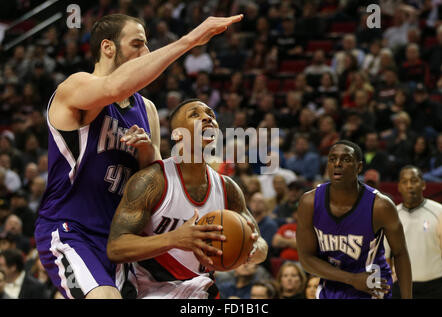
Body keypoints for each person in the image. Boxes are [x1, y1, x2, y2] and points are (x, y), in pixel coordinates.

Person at [34, 13, 245, 299]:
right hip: (71, 228)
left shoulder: (146, 109)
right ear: (108, 47)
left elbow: (153, 178)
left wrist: (146, 150)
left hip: (120, 237)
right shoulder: (75, 87)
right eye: (137, 44)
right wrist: (190, 40)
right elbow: (113, 87)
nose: (146, 53)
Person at [107, 99, 268, 299]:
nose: (208, 118)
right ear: (177, 134)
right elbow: (115, 248)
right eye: (195, 114)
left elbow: (260, 243)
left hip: (199, 289)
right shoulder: (152, 180)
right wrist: (173, 239)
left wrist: (250, 249)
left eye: (211, 115)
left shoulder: (228, 188)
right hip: (147, 289)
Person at [296, 140, 412, 299]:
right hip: (331, 286)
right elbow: (306, 259)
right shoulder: (309, 202)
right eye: (332, 159)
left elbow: (400, 253)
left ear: (359, 167)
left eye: (346, 159)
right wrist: (352, 279)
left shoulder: (380, 206)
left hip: (371, 287)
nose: (337, 163)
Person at [385, 166, 442, 299]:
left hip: (435, 288)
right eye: (404, 182)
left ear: (423, 184)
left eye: (414, 180)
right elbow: (385, 255)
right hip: (401, 288)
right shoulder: (392, 216)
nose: (409, 185)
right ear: (399, 187)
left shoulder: (441, 212)